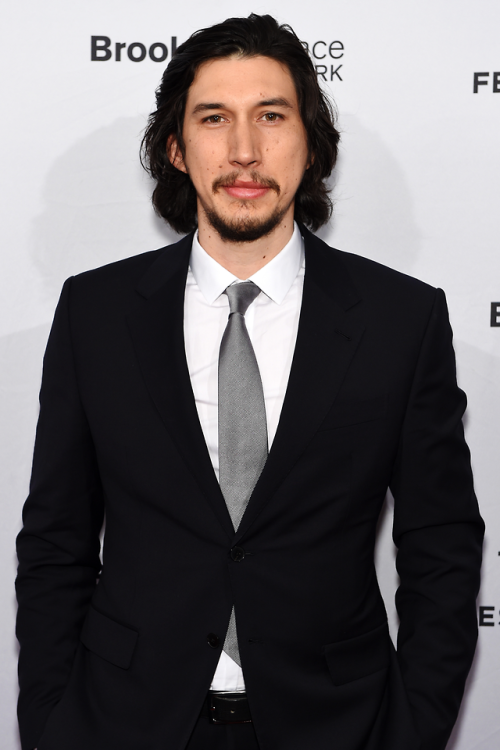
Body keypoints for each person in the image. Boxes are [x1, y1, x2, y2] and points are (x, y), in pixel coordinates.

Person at [15, 13, 484, 750]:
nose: (244, 151)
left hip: (341, 726)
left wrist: (414, 727)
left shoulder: (402, 320)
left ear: (310, 142)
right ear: (176, 146)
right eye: (214, 119)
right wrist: (48, 721)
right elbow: (55, 541)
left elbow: (442, 544)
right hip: (123, 723)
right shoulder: (95, 313)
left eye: (271, 115)